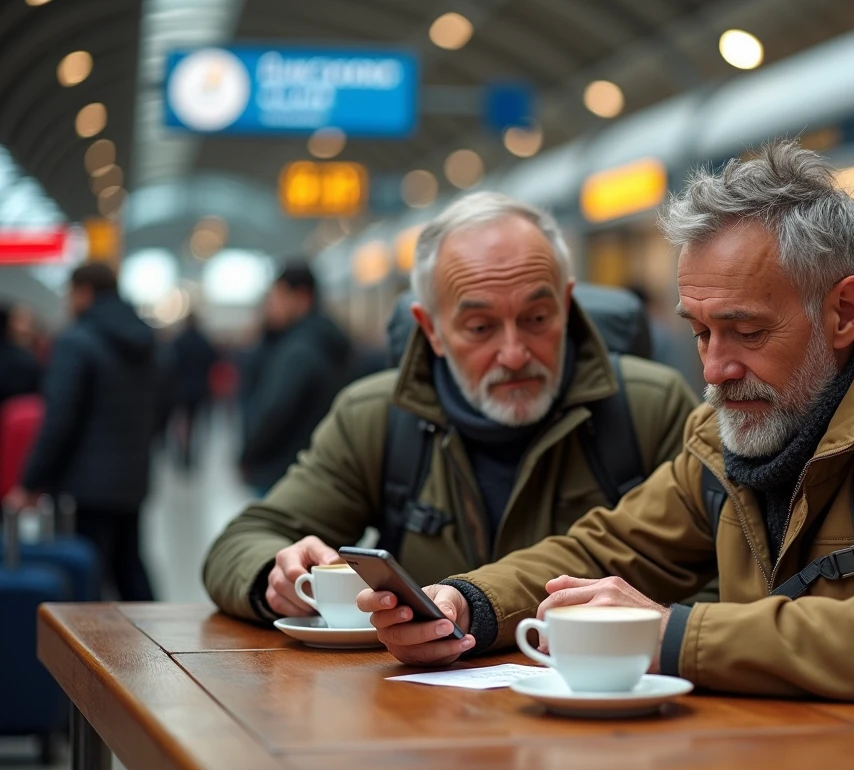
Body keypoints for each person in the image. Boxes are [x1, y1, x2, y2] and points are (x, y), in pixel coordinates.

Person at [361, 142, 854, 754]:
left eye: (746, 331)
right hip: (805, 761)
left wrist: (667, 636)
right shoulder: (722, 437)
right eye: (699, 332)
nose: (713, 368)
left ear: (844, 312)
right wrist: (467, 603)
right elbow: (608, 550)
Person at [203, 193, 698, 623]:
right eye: (481, 328)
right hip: (421, 710)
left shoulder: (647, 408)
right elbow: (241, 541)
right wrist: (276, 574)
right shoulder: (377, 416)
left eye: (537, 318)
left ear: (567, 308)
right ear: (432, 329)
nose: (514, 353)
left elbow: (718, 575)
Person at [5, 263, 161, 601]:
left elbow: (59, 419)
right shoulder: (147, 341)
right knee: (129, 568)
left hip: (84, 486)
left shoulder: (76, 341)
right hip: (132, 477)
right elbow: (164, 406)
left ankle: (85, 651)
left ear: (84, 292)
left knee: (85, 580)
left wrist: (31, 482)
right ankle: (156, 647)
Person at [238, 261, 350, 495]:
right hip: (317, 471)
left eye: (278, 297)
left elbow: (274, 410)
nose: (272, 306)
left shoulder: (298, 350)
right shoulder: (328, 340)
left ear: (301, 297)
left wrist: (248, 452)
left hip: (283, 473)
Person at [170, 314, 219, 470]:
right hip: (200, 388)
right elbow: (213, 360)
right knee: (196, 424)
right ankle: (192, 454)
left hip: (181, 389)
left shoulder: (179, 341)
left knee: (182, 423)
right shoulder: (203, 341)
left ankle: (182, 454)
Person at [0, 302, 41, 405]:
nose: (25, 328)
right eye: (19, 321)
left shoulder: (37, 358)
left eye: (30, 323)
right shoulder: (26, 361)